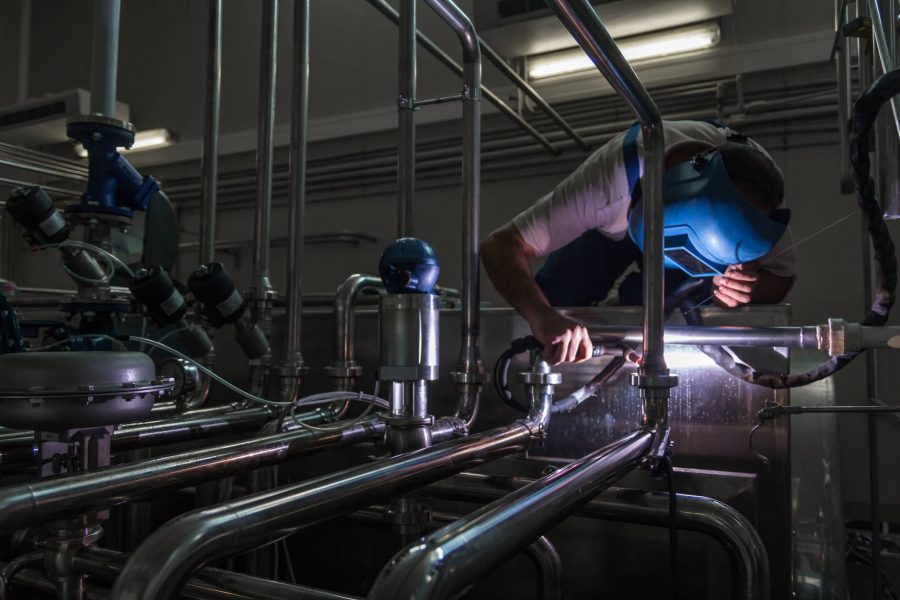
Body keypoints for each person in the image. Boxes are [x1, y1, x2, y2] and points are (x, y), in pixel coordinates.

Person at [481, 119, 796, 365]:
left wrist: (746, 287)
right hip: (616, 219)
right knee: (558, 293)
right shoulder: (607, 184)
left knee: (668, 304)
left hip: (681, 244)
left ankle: (634, 317)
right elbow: (500, 245)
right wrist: (542, 316)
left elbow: (780, 281)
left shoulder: (762, 205)